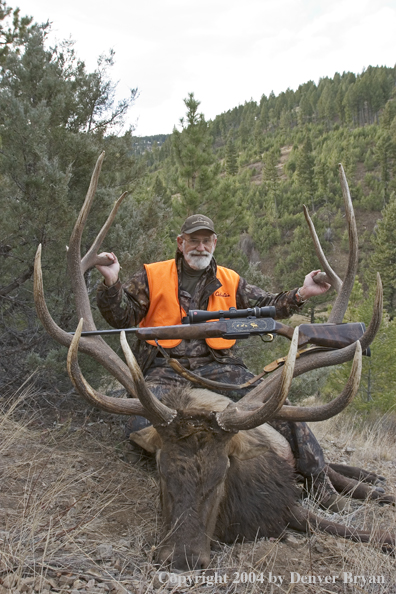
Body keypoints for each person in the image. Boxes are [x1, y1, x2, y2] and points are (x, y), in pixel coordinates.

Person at [96, 214, 343, 509]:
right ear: (180, 242)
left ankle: (319, 482)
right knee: (139, 423)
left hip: (219, 367)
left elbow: (266, 305)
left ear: (214, 243)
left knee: (278, 405)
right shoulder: (151, 275)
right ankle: (186, 479)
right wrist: (112, 283)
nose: (199, 247)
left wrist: (303, 293)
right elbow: (123, 317)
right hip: (165, 367)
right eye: (193, 240)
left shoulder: (230, 279)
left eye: (205, 241)